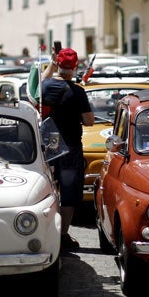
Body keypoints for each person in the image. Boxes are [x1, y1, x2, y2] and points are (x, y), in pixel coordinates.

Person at [40, 48, 93, 252]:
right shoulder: (77, 91)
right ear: (75, 67)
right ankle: (63, 236)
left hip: (50, 144)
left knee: (47, 191)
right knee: (69, 195)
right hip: (70, 147)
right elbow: (89, 121)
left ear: (58, 65)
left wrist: (51, 64)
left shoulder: (47, 85)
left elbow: (41, 82)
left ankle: (46, 231)